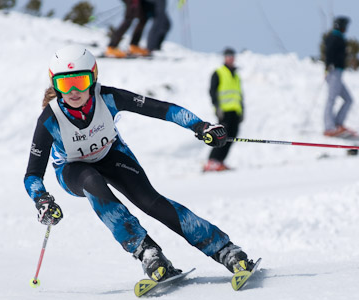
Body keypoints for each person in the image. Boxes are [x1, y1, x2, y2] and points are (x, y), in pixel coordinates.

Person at [24, 44, 257, 283]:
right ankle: (147, 252)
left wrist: (200, 126)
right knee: (92, 182)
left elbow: (162, 109)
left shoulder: (108, 97)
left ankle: (225, 250)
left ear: (93, 78)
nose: (73, 91)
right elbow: (32, 174)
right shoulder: (49, 119)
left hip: (112, 155)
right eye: (65, 84)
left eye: (80, 81)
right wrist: (41, 200)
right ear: (55, 84)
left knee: (151, 202)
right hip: (72, 170)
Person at [204, 47, 244, 172]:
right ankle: (212, 161)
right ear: (224, 57)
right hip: (224, 112)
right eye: (228, 56)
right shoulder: (219, 72)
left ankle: (220, 161)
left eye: (232, 55)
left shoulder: (236, 74)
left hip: (235, 112)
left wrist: (242, 110)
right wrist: (217, 107)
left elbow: (239, 94)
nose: (231, 58)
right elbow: (212, 91)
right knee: (221, 137)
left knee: (232, 137)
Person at [323, 16, 354, 137]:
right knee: (331, 100)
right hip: (334, 72)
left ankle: (338, 124)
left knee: (349, 99)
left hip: (338, 73)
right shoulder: (334, 37)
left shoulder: (338, 37)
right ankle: (329, 127)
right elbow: (329, 53)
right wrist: (328, 67)